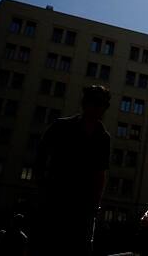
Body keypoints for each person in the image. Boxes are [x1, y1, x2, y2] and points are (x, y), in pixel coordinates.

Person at [33, 85, 112, 255]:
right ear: (85, 103)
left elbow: (100, 174)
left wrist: (95, 205)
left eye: (104, 105)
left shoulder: (103, 138)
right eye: (96, 103)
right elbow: (41, 152)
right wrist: (41, 184)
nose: (99, 108)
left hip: (81, 206)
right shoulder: (62, 126)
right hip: (56, 199)